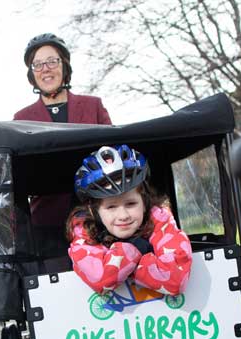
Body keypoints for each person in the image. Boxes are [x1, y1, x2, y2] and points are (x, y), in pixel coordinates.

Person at [13, 34, 113, 253]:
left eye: (52, 61)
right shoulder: (22, 118)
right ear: (32, 73)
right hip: (48, 221)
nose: (45, 69)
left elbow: (112, 154)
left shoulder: (93, 105)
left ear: (64, 66)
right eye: (37, 64)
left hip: (99, 215)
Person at [66, 145, 192, 295]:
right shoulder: (84, 231)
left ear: (145, 202)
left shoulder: (159, 219)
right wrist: (135, 249)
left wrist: (124, 269)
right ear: (94, 211)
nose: (123, 215)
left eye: (131, 204)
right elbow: (101, 280)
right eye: (111, 207)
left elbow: (175, 280)